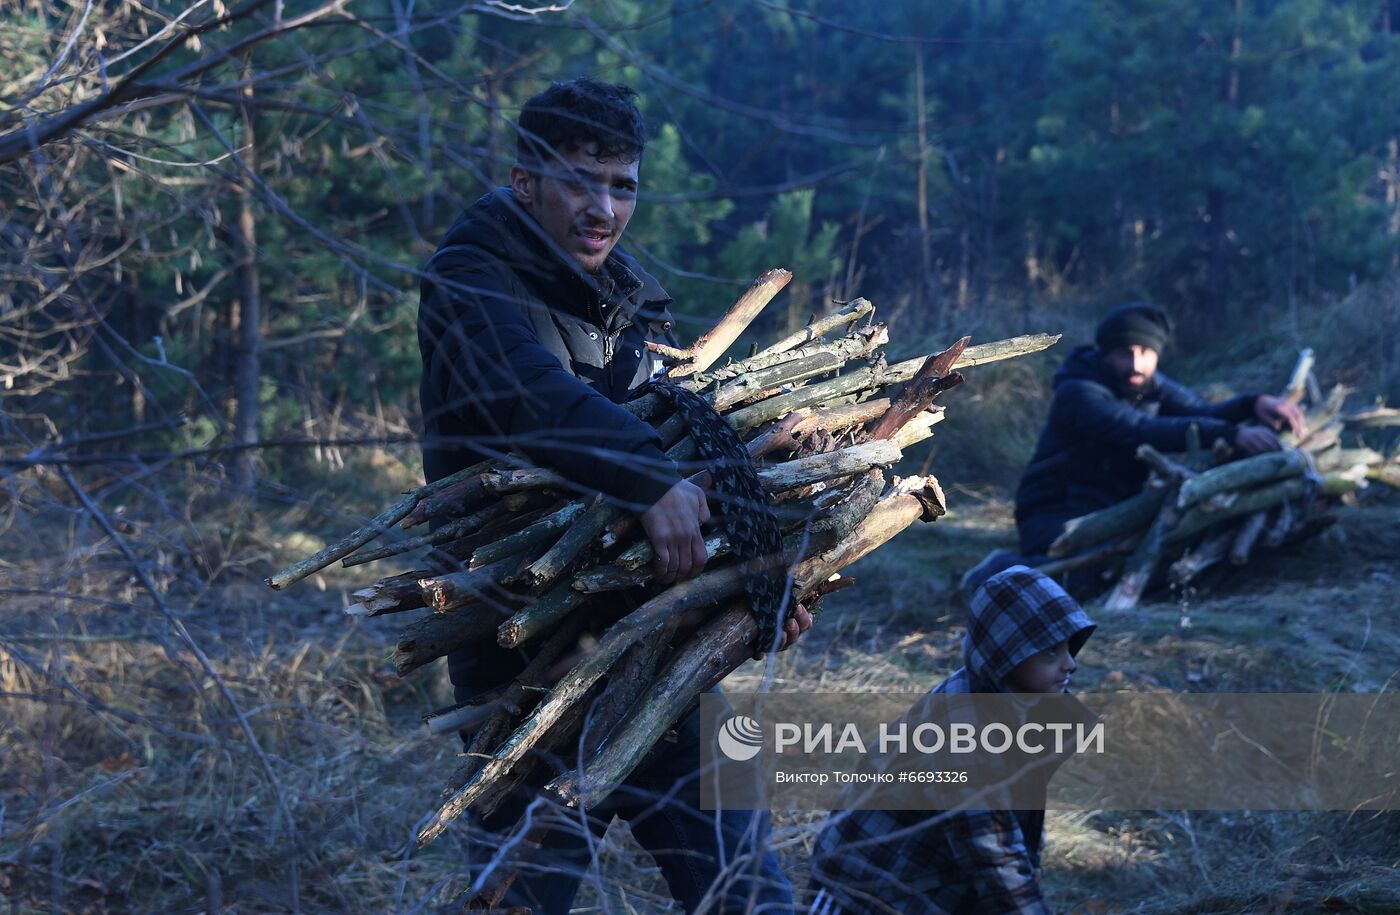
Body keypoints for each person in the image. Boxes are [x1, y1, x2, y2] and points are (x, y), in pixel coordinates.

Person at [417, 78, 802, 913]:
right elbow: (525, 393)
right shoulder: (469, 281)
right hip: (532, 657)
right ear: (526, 182)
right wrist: (646, 474)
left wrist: (758, 582)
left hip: (664, 648)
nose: (603, 207)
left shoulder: (628, 302)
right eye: (578, 181)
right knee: (521, 900)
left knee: (750, 891)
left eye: (621, 184)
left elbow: (690, 442)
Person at [808, 566, 1098, 915]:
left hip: (932, 876)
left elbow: (1013, 825)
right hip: (864, 893)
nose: (1070, 664)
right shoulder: (964, 737)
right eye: (1050, 652)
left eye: (1069, 647)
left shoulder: (1019, 702)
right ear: (1007, 655)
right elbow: (994, 857)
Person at [964, 302, 1307, 596]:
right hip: (1058, 508)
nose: (1136, 364)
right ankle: (996, 572)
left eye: (1146, 353)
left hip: (1115, 507)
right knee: (1075, 581)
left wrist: (1253, 404)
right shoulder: (1078, 393)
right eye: (1124, 353)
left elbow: (1202, 412)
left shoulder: (1150, 385)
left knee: (1134, 566)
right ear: (1105, 353)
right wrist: (1231, 434)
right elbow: (1138, 428)